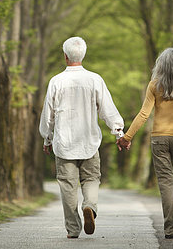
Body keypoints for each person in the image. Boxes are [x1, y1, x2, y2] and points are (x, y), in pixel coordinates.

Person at [39, 36, 125, 239]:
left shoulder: (56, 81)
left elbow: (48, 115)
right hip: (89, 142)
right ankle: (89, 206)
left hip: (64, 143)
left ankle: (72, 229)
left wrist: (47, 138)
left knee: (68, 186)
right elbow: (108, 110)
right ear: (83, 54)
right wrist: (118, 132)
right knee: (91, 178)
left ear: (65, 56)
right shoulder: (95, 79)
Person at [117, 48, 173, 239]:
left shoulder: (154, 85)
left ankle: (171, 229)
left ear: (160, 66)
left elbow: (144, 114)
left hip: (159, 139)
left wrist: (127, 137)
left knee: (166, 181)